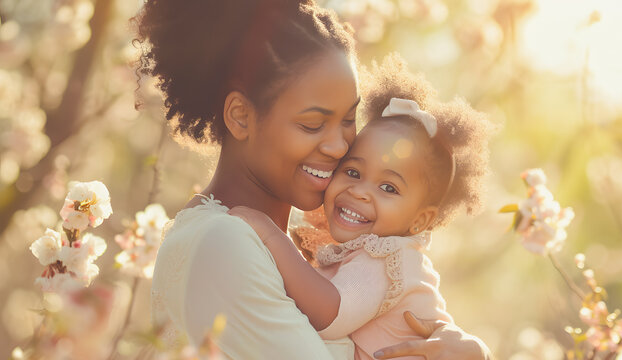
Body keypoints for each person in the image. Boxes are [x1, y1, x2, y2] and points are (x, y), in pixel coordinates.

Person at [136, 0, 491, 358]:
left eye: (349, 119)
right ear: (241, 116)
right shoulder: (228, 239)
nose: (340, 146)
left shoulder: (312, 248)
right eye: (312, 124)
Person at [229, 54, 493, 360]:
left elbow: (329, 315)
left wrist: (271, 235)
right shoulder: (361, 250)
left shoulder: (389, 258)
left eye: (388, 188)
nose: (360, 192)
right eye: (353, 172)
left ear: (421, 219)